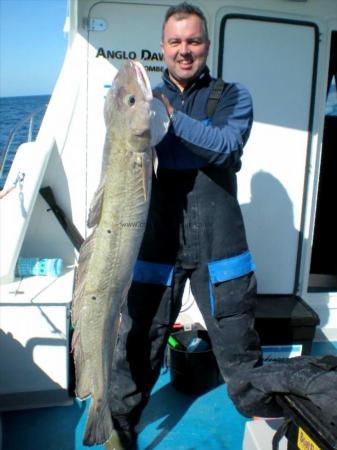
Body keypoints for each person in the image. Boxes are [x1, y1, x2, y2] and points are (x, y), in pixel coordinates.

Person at [106, 3, 262, 449]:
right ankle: (118, 428)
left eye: (193, 41)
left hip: (221, 248)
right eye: (175, 42)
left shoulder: (233, 96)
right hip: (158, 242)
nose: (184, 50)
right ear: (162, 48)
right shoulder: (147, 102)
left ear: (207, 45)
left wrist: (169, 115)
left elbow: (226, 146)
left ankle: (268, 426)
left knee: (238, 347)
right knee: (138, 340)